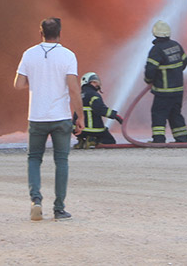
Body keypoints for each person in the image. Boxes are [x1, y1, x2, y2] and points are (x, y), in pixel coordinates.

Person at [14, 17, 84, 221]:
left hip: (37, 117)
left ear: (41, 33)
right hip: (61, 117)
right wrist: (80, 116)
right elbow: (73, 89)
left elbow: (18, 84)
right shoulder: (68, 55)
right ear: (60, 33)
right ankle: (59, 208)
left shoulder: (29, 54)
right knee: (61, 161)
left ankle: (36, 200)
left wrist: (37, 80)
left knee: (34, 159)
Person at [143, 20, 187, 143]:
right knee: (175, 114)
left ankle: (158, 140)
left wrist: (148, 80)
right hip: (178, 90)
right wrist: (175, 73)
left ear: (155, 34)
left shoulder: (156, 50)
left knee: (158, 114)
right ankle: (182, 139)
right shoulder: (176, 45)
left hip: (164, 91)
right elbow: (184, 62)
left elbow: (150, 70)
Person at [74, 72, 123, 149]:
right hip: (93, 129)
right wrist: (116, 116)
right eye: (94, 82)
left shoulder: (79, 95)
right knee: (109, 140)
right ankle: (92, 139)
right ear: (88, 83)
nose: (97, 84)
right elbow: (100, 109)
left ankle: (82, 140)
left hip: (77, 129)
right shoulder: (93, 95)